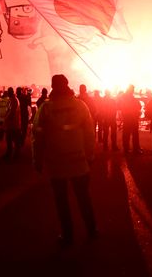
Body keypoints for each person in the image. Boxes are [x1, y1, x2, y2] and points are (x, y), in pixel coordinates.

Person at [32, 74, 97, 247]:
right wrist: (90, 155)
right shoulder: (80, 106)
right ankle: (92, 231)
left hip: (56, 163)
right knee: (84, 197)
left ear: (53, 86)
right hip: (79, 161)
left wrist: (37, 160)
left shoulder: (45, 108)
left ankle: (68, 236)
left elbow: (37, 136)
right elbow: (90, 133)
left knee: (62, 201)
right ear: (67, 85)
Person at [119, 85, 142, 154]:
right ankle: (135, 149)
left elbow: (120, 106)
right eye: (133, 89)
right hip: (132, 118)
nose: (133, 90)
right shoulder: (131, 98)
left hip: (127, 118)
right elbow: (138, 106)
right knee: (134, 134)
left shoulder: (124, 97)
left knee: (126, 134)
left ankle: (126, 148)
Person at [2, 87, 21, 160]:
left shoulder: (14, 100)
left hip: (13, 124)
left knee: (13, 140)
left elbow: (12, 112)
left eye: (9, 92)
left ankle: (14, 155)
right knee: (10, 139)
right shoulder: (12, 100)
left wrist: (6, 119)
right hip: (12, 124)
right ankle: (10, 153)